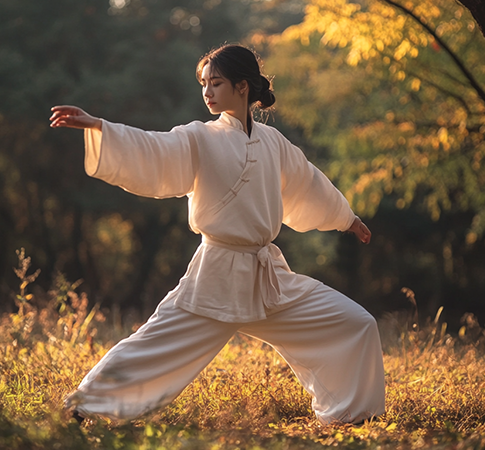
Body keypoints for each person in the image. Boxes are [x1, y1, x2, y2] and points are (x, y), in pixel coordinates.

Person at [49, 44, 385, 425]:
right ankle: (84, 406)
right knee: (156, 346)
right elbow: (155, 147)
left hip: (267, 277)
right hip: (217, 274)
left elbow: (308, 184)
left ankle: (354, 414)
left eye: (217, 83)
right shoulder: (198, 137)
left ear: (243, 87)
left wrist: (347, 218)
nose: (207, 92)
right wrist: (99, 127)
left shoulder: (274, 143)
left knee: (355, 324)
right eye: (204, 84)